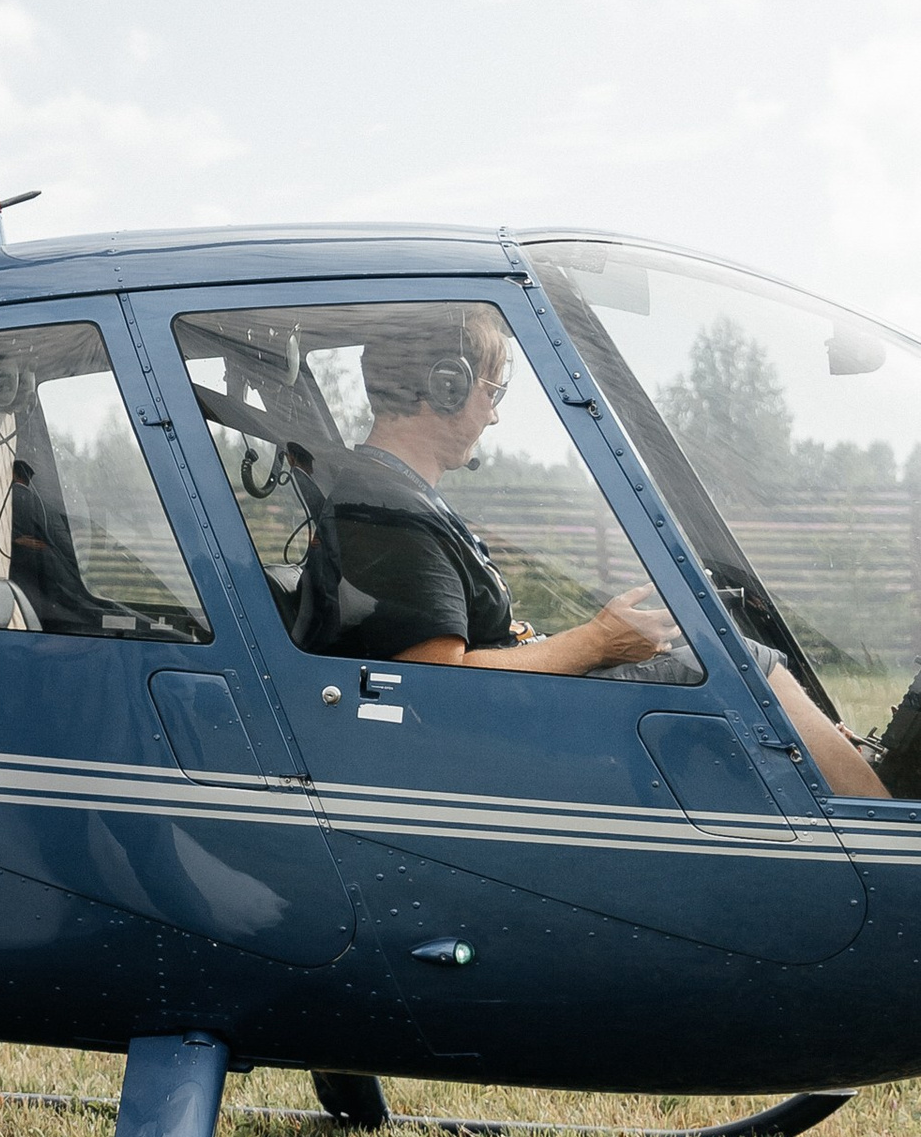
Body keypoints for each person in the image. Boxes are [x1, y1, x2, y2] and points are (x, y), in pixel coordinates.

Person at [327, 306, 884, 795]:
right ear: (447, 386)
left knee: (721, 664)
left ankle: (822, 758)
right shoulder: (389, 513)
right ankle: (886, 836)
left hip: (512, 717)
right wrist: (594, 641)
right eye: (491, 393)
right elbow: (435, 685)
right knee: (742, 666)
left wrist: (603, 643)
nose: (494, 415)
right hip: (496, 735)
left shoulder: (394, 498)